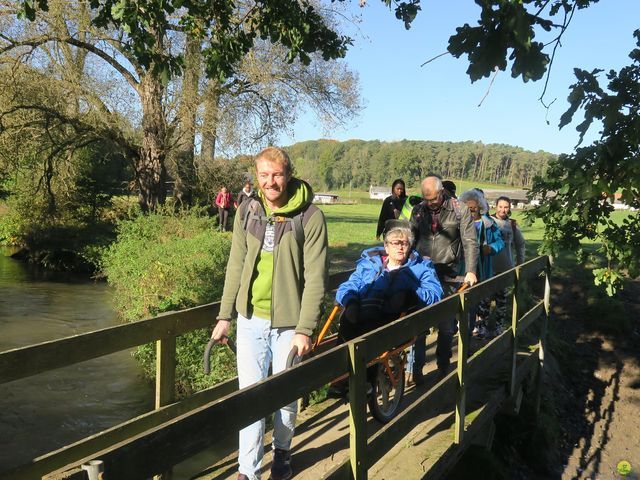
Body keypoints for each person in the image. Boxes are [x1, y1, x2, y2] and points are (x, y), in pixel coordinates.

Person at [211, 146, 328, 480]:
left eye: (277, 175)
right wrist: (224, 316)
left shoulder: (309, 217)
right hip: (249, 321)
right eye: (264, 175)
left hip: (290, 324)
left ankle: (282, 451)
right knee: (250, 398)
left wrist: (305, 329)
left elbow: (317, 278)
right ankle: (247, 472)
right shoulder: (248, 210)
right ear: (257, 176)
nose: (271, 182)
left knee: (284, 396)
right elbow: (236, 264)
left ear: (288, 175)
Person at [408, 175, 479, 382]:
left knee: (446, 326)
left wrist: (471, 270)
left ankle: (442, 366)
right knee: (418, 325)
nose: (429, 203)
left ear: (441, 192)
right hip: (422, 273)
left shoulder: (459, 209)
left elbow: (469, 242)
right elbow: (411, 239)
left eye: (433, 199)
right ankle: (416, 370)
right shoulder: (419, 211)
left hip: (449, 273)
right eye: (425, 198)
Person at [336, 219, 443, 342]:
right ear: (386, 247)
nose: (400, 247)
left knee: (367, 339)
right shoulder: (370, 262)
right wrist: (351, 302)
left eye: (404, 243)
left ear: (410, 246)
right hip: (361, 310)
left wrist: (412, 295)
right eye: (395, 243)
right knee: (347, 321)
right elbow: (350, 284)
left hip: (392, 321)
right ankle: (340, 358)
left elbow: (436, 294)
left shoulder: (422, 266)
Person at [458, 189, 505, 338]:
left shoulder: (489, 224)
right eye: (467, 207)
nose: (471, 210)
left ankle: (470, 331)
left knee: (475, 302)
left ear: (480, 207)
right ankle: (458, 327)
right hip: (460, 268)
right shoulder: (458, 221)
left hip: (482, 269)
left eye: (474, 207)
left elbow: (500, 241)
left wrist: (491, 248)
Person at [480, 196, 526, 336]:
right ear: (495, 206)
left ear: (510, 208)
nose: (503, 209)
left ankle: (498, 328)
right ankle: (482, 328)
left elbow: (520, 245)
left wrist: (520, 263)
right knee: (484, 301)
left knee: (501, 302)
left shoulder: (512, 225)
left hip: (505, 269)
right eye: (500, 206)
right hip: (488, 269)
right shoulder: (487, 222)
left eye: (506, 207)